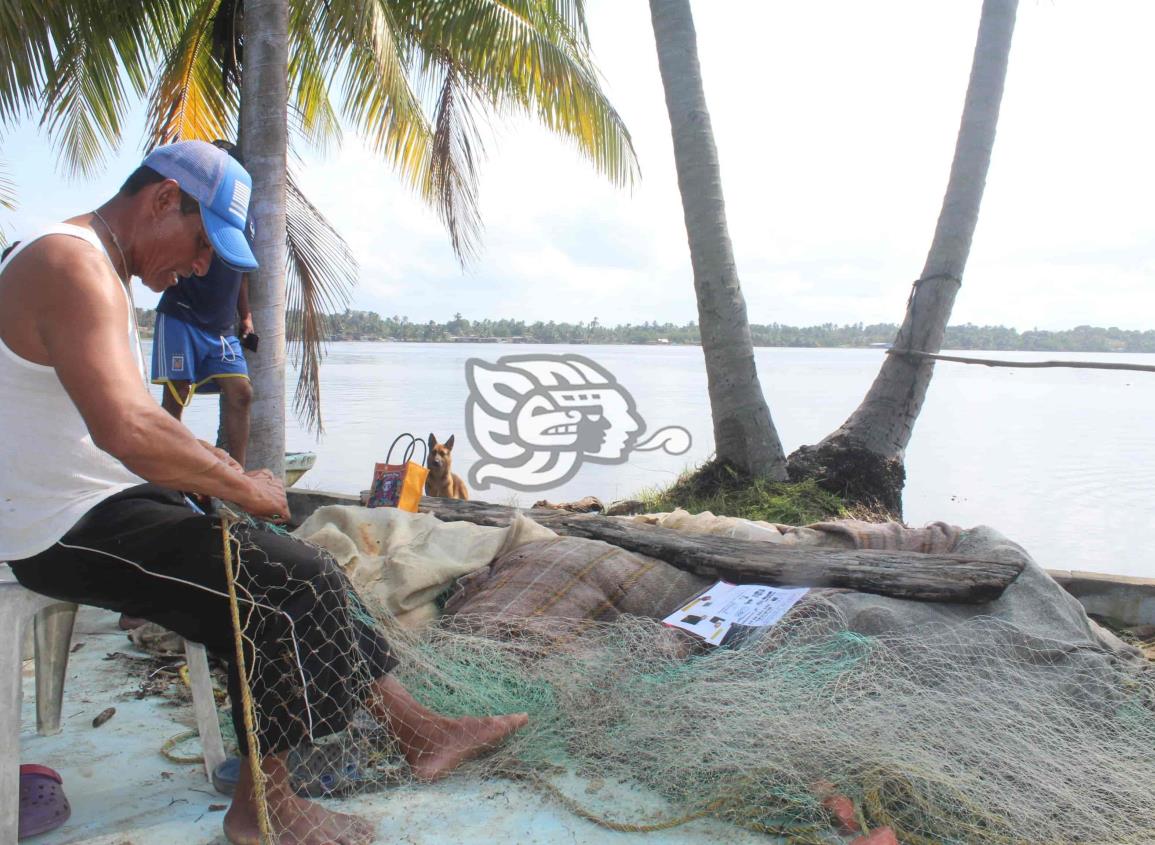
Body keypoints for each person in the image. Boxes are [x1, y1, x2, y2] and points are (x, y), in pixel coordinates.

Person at [0, 140, 526, 845]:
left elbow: (146, 419)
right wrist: (241, 485)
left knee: (295, 561)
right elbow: (126, 428)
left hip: (92, 503)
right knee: (289, 581)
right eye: (199, 241)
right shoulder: (71, 262)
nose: (199, 265)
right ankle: (264, 809)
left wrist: (222, 473)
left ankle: (417, 730)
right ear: (161, 200)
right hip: (56, 527)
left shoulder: (90, 262)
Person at [152, 139, 254, 466]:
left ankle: (236, 476)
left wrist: (246, 317)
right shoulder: (190, 205)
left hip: (223, 326)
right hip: (183, 314)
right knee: (176, 394)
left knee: (241, 394)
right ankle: (168, 471)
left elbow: (242, 270)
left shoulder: (247, 218)